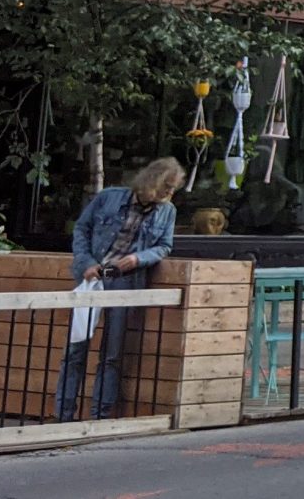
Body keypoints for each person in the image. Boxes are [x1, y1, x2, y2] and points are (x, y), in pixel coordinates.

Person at [58, 157, 184, 422]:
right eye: (167, 186)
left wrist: (140, 258)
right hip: (93, 277)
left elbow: (164, 246)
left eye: (173, 188)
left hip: (126, 281)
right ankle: (63, 416)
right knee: (75, 349)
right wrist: (86, 263)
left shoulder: (167, 211)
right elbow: (82, 228)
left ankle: (99, 417)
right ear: (152, 181)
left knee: (112, 353)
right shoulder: (110, 198)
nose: (169, 193)